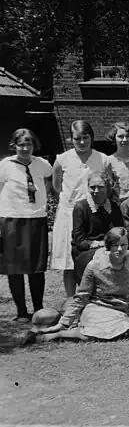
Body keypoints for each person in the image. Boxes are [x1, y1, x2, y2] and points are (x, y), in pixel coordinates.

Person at [25, 228, 129, 344]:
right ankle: (58, 334)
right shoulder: (94, 266)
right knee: (91, 333)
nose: (119, 249)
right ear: (108, 245)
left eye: (123, 245)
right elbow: (82, 296)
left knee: (127, 330)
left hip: (119, 310)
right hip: (96, 307)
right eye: (115, 245)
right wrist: (64, 322)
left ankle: (66, 334)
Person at [52, 120, 113, 296]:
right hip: (68, 213)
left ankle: (95, 297)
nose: (81, 142)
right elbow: (57, 187)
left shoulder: (103, 159)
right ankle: (71, 298)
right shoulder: (62, 159)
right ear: (71, 139)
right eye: (77, 138)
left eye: (85, 138)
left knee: (94, 258)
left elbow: (107, 186)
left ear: (91, 137)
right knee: (68, 262)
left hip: (93, 215)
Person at [0, 129, 54, 321]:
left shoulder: (42, 164)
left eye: (29, 144)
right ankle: (21, 311)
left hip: (36, 218)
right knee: (15, 267)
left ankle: (38, 309)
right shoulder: (5, 165)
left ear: (34, 145)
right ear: (14, 145)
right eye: (21, 144)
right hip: (12, 218)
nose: (25, 148)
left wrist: (43, 198)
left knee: (36, 267)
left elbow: (51, 179)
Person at [72, 171, 127, 281]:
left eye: (100, 187)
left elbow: (120, 232)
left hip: (111, 248)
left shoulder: (114, 207)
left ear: (107, 188)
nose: (96, 191)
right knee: (102, 261)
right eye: (92, 187)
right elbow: (79, 240)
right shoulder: (81, 207)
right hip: (86, 251)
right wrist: (101, 245)